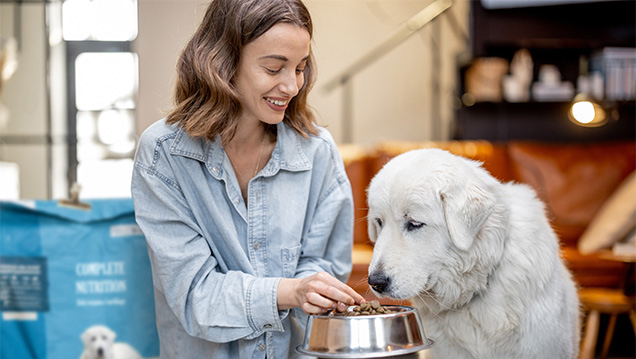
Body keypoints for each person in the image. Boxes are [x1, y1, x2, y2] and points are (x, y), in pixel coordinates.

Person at [130, 0, 365, 358]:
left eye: (300, 68)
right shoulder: (165, 155)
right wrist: (291, 292)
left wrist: (313, 289)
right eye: (274, 68)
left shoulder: (317, 152)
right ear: (222, 63)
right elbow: (195, 296)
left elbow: (323, 268)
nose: (291, 86)